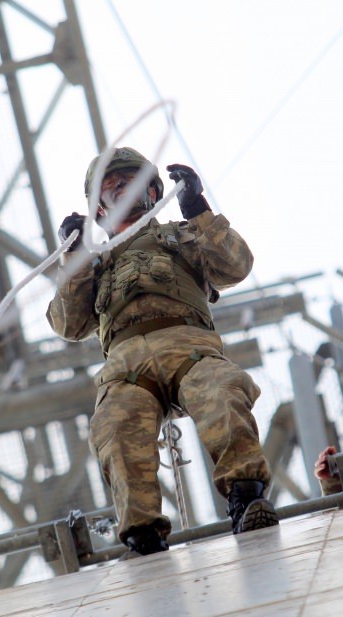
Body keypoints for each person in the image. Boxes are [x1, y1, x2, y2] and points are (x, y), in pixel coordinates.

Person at [47, 147, 278, 556]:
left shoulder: (184, 235)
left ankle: (245, 495)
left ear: (153, 192)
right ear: (98, 208)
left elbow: (235, 265)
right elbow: (69, 323)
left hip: (188, 346)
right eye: (110, 186)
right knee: (116, 426)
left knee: (221, 392)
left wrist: (197, 208)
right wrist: (75, 256)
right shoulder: (96, 264)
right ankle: (142, 534)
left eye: (128, 181)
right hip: (125, 365)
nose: (120, 189)